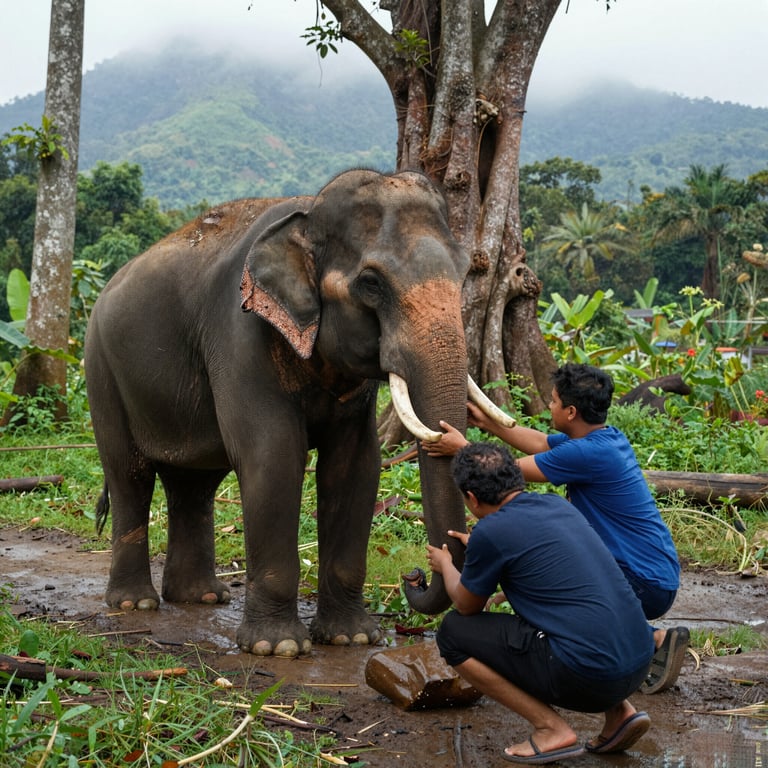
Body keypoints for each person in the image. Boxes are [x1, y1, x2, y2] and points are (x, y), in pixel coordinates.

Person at [423, 362, 689, 694]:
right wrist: (488, 423)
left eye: (553, 401)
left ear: (571, 412)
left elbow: (503, 475)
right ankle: (644, 639)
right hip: (654, 572)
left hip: (643, 582)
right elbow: (539, 443)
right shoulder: (603, 440)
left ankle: (651, 638)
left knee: (547, 585)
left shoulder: (586, 454)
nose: (549, 406)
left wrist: (462, 449)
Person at [426, 442, 654, 764]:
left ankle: (551, 729)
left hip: (590, 677)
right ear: (516, 478)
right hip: (640, 660)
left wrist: (446, 565)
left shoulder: (492, 531)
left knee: (453, 632)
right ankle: (620, 713)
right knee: (585, 621)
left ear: (472, 498)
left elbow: (467, 606)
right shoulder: (557, 505)